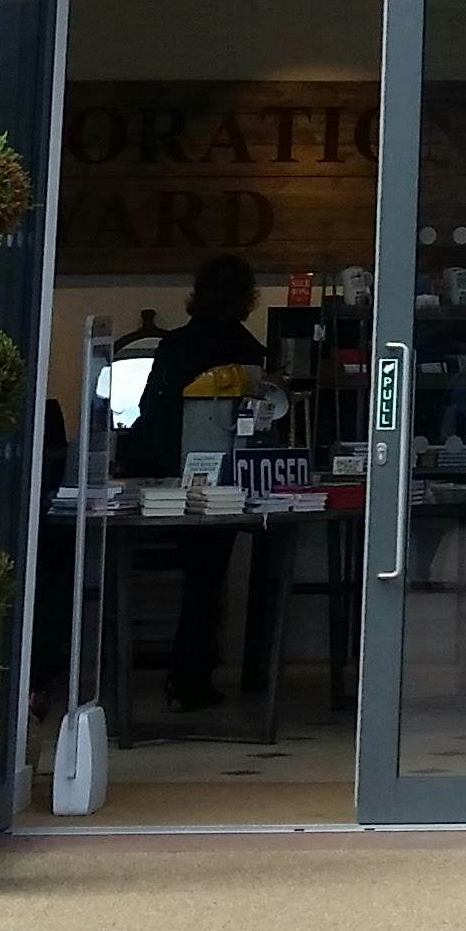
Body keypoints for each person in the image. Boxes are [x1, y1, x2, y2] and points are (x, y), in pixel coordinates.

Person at [125, 255, 271, 710]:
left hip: (162, 477)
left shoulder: (174, 347)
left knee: (191, 576)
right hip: (225, 480)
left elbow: (150, 411)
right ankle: (192, 678)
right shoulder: (249, 353)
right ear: (248, 298)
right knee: (208, 578)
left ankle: (173, 678)